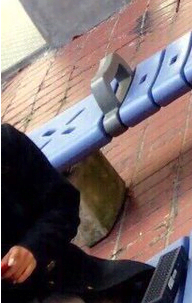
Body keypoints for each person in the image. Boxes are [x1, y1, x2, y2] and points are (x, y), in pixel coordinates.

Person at [1, 123, 151, 303]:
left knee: (156, 285)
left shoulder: (6, 145)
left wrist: (32, 247)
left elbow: (63, 203)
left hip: (69, 277)